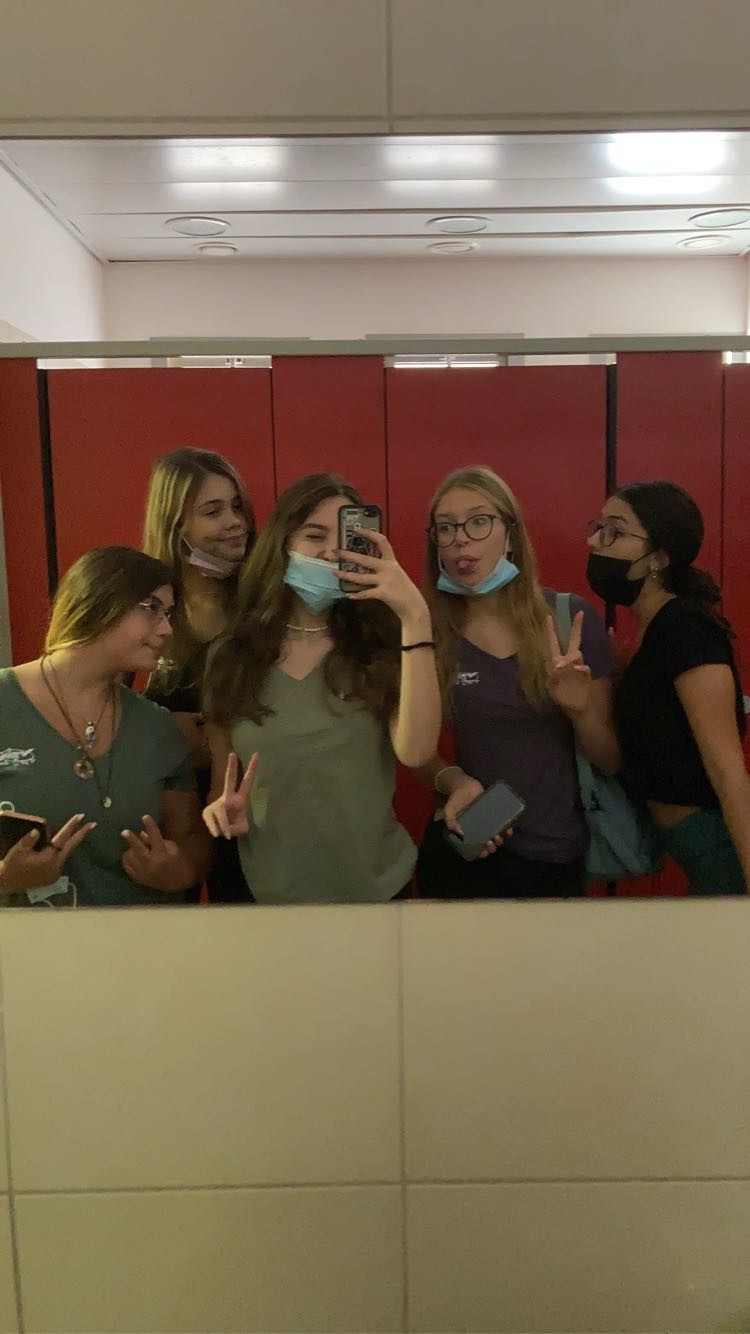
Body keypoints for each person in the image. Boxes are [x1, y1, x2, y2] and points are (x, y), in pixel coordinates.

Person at [201, 472, 441, 904]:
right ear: (282, 545)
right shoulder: (232, 656)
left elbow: (417, 752)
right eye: (314, 535)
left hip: (378, 889)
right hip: (271, 893)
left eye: (347, 539)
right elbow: (225, 782)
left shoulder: (382, 645)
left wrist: (414, 615)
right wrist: (222, 810)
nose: (332, 551)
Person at [415, 464, 616, 899]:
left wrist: (580, 712)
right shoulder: (427, 633)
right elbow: (412, 749)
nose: (460, 539)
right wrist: (456, 783)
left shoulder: (569, 620)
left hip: (554, 854)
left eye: (478, 521)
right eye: (446, 527)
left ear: (510, 534)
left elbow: (612, 760)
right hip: (468, 845)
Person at [0, 547, 211, 907]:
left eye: (168, 613)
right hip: (27, 941)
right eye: (151, 608)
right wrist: (5, 879)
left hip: (141, 937)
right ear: (97, 600)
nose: (166, 629)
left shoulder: (156, 728)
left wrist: (178, 869)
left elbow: (192, 839)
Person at [586, 479, 749, 894]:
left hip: (715, 842)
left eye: (614, 531)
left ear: (657, 558)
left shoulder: (685, 629)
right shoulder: (650, 631)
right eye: (598, 526)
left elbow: (728, 770)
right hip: (687, 842)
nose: (594, 541)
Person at [141, 446, 255, 902]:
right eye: (213, 511)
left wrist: (212, 735)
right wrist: (166, 733)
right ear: (175, 526)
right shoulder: (146, 607)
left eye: (237, 507)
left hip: (253, 817)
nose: (235, 522)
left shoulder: (263, 603)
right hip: (172, 823)